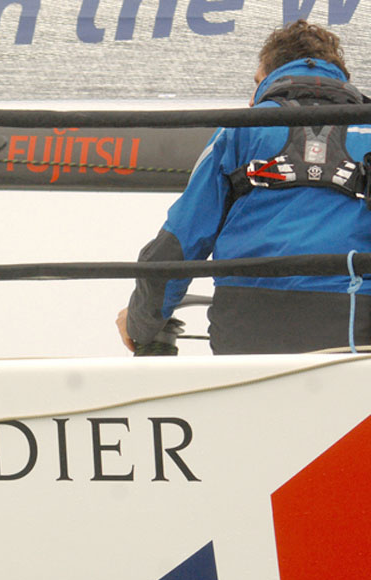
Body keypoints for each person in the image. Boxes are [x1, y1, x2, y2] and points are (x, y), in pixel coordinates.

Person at [117, 20, 371, 355]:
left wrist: (140, 322)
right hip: (351, 322)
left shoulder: (240, 129)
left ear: (271, 76)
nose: (252, 98)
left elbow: (182, 238)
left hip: (245, 320)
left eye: (256, 83)